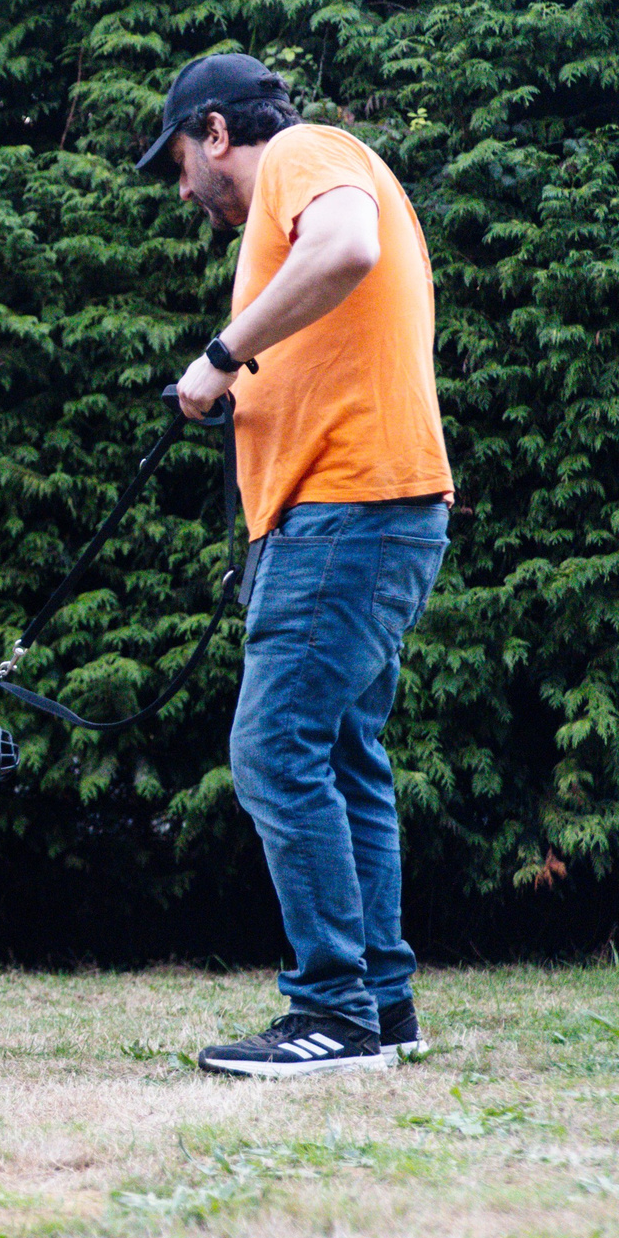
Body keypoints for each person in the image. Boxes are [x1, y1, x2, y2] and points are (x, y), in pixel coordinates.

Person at [143, 53, 453, 1079]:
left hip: (348, 511)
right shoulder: (317, 174)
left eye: (181, 159)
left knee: (274, 751)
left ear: (218, 132)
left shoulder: (302, 155)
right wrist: (248, 393)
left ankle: (331, 1012)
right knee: (343, 758)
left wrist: (221, 355)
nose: (182, 188)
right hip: (363, 510)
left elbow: (347, 248)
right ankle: (381, 1004)